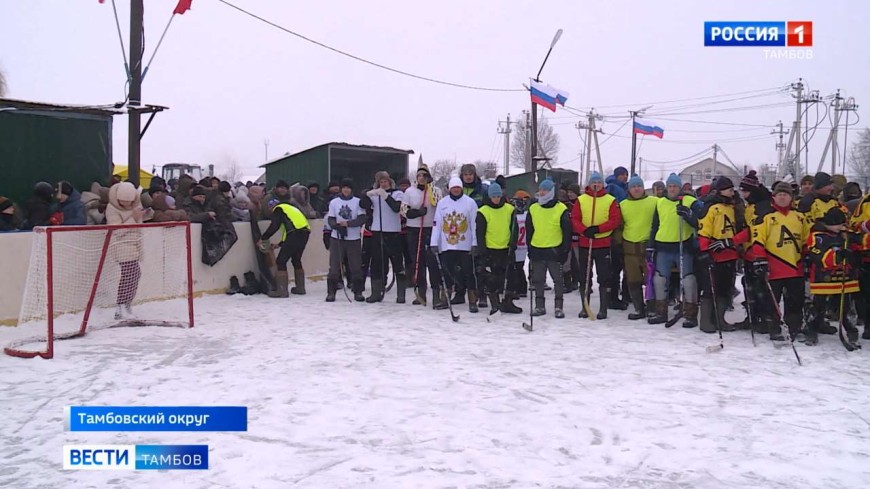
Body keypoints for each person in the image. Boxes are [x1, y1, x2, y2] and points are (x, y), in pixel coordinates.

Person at [749, 182, 808, 341]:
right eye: (779, 194)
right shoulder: (765, 216)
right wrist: (760, 259)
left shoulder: (800, 217)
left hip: (795, 266)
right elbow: (757, 240)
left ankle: (794, 327)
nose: (782, 197)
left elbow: (806, 239)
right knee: (772, 299)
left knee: (796, 299)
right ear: (774, 197)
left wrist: (808, 256)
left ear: (791, 198)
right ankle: (774, 328)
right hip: (774, 265)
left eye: (786, 194)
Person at [648, 173, 703, 328]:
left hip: (683, 246)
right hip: (663, 246)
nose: (672, 189)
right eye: (670, 186)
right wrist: (650, 246)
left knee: (688, 280)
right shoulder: (660, 203)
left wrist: (689, 216)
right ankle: (660, 312)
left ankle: (691, 314)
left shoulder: (690, 201)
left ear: (680, 187)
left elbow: (702, 222)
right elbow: (655, 226)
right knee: (660, 279)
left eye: (675, 186)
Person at [696, 176, 746, 333]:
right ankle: (706, 321)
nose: (732, 192)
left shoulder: (735, 207)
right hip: (715, 253)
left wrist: (733, 242)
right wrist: (704, 252)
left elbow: (744, 230)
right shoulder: (711, 208)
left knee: (725, 289)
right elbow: (704, 232)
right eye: (729, 189)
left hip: (730, 253)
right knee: (711, 288)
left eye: (733, 189)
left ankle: (720, 319)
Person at [804, 207, 860, 346]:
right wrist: (838, 256)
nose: (842, 226)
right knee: (819, 307)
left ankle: (851, 332)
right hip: (824, 279)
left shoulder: (845, 235)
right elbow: (817, 255)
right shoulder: (818, 236)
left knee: (845, 308)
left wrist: (852, 254)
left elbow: (856, 250)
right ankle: (811, 330)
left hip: (844, 279)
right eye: (840, 224)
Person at [571, 172, 621, 319]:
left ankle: (603, 308)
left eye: (599, 182)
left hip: (603, 242)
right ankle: (584, 307)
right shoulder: (581, 200)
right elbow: (575, 218)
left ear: (602, 184)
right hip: (585, 242)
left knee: (604, 276)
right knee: (584, 275)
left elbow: (614, 220)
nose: (596, 185)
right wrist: (584, 230)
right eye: (594, 182)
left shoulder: (610, 200)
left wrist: (598, 229)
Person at [430, 176, 479, 311]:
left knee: (469, 273)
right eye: (453, 188)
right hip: (447, 245)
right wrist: (434, 242)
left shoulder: (470, 203)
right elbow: (437, 224)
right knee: (447, 272)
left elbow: (474, 224)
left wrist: (475, 243)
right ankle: (445, 298)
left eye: (458, 187)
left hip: (465, 244)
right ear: (449, 189)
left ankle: (472, 300)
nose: (456, 190)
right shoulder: (442, 203)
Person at [527, 178, 572, 318]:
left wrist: (565, 250)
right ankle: (539, 306)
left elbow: (567, 232)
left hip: (554, 250)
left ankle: (558, 307)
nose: (542, 192)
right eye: (541, 189)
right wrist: (530, 247)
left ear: (552, 192)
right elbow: (529, 229)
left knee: (558, 280)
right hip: (537, 249)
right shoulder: (533, 208)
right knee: (538, 280)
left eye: (545, 190)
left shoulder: (561, 209)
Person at [360, 171, 406, 303]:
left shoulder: (398, 194)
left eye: (385, 182)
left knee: (397, 263)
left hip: (393, 233)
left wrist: (385, 195)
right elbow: (364, 205)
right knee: (377, 263)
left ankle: (401, 294)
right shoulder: (376, 195)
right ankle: (376, 292)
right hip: (378, 232)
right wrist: (367, 195)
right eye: (381, 182)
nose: (383, 184)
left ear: (390, 182)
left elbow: (396, 208)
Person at [476, 182, 520, 314]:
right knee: (491, 279)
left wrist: (513, 244)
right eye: (493, 196)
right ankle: (495, 304)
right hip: (490, 249)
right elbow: (480, 233)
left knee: (509, 277)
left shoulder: (509, 209)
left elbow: (514, 229)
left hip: (506, 249)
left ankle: (507, 302)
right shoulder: (483, 211)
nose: (496, 199)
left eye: (498, 196)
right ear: (489, 197)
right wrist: (482, 250)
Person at [619, 175, 659, 320]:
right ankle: (638, 308)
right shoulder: (623, 205)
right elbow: (619, 226)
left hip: (648, 248)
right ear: (629, 189)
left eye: (639, 186)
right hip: (630, 248)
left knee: (651, 280)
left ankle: (652, 308)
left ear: (643, 188)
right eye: (633, 186)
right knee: (633, 279)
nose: (636, 189)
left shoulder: (654, 202)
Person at [737, 171, 772, 332]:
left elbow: (754, 230)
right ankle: (752, 316)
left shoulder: (762, 206)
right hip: (749, 252)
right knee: (749, 285)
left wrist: (733, 241)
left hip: (759, 252)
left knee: (761, 288)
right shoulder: (750, 205)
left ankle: (765, 318)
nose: (743, 194)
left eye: (745, 191)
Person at [403, 164, 442, 307]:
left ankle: (436, 294)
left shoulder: (435, 190)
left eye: (424, 176)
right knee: (417, 262)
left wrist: (430, 187)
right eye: (419, 176)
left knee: (432, 263)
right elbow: (404, 210)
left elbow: (437, 203)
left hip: (430, 229)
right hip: (414, 229)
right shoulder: (409, 191)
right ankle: (421, 292)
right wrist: (416, 213)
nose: (421, 178)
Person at [106, 182, 145, 319]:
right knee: (130, 273)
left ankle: (126, 303)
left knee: (135, 274)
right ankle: (121, 305)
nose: (127, 205)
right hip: (121, 244)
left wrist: (142, 216)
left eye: (130, 202)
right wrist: (133, 219)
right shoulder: (111, 208)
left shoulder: (136, 205)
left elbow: (139, 224)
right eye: (123, 202)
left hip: (135, 242)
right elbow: (116, 230)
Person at [258, 198, 311, 298]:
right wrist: (280, 244)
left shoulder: (278, 209)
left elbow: (275, 225)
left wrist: (263, 238)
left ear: (271, 207)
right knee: (296, 259)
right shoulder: (290, 209)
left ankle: (282, 291)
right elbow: (288, 231)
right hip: (304, 233)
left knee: (281, 261)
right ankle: (300, 288)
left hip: (295, 234)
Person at [325, 179, 366, 302]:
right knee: (334, 266)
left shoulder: (358, 202)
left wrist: (348, 224)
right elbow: (331, 218)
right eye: (344, 188)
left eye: (348, 188)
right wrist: (336, 226)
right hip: (337, 238)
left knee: (355, 266)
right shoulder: (334, 202)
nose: (346, 190)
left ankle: (358, 291)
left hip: (353, 238)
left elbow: (362, 218)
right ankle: (331, 292)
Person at [849, 188, 870, 339]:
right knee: (866, 294)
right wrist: (865, 225)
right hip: (867, 255)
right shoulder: (866, 201)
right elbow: (853, 225)